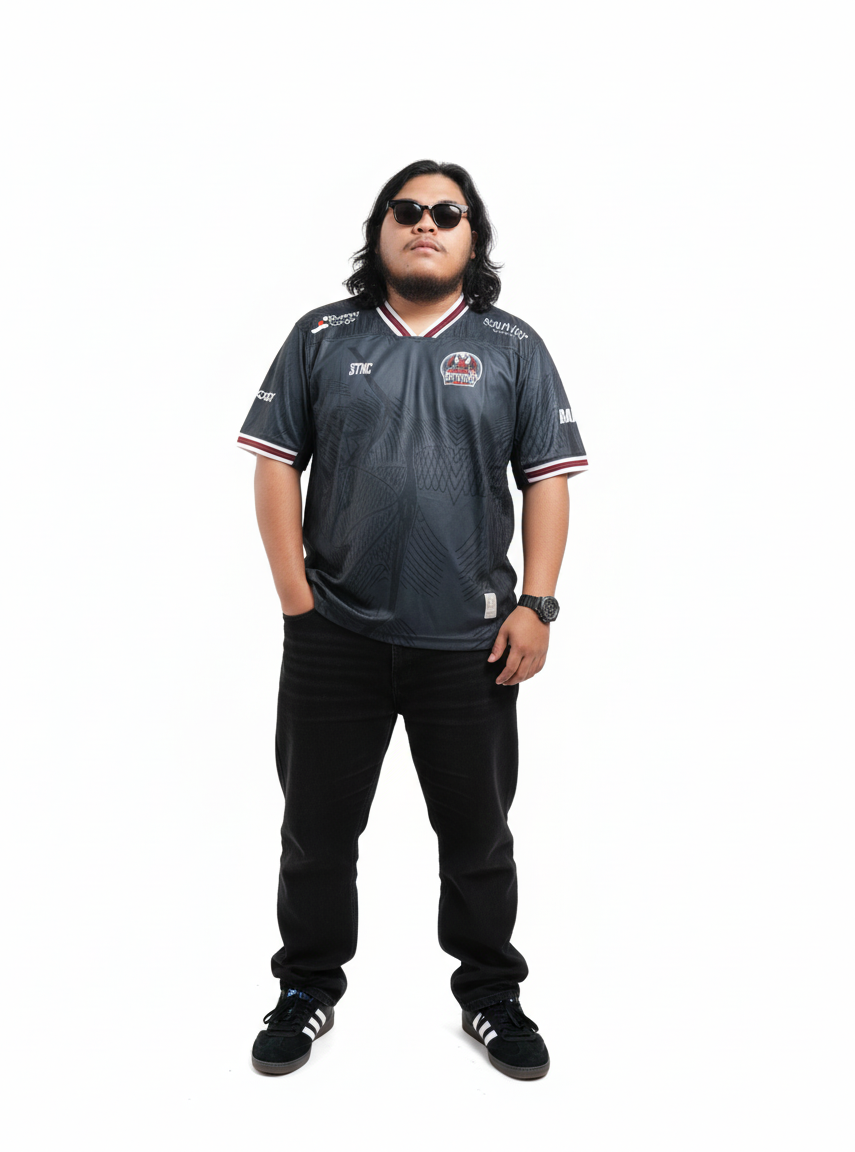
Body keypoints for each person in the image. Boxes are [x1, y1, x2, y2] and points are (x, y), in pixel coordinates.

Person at [236, 160, 588, 1079]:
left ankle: (491, 994)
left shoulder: (513, 346)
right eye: (406, 209)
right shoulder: (321, 336)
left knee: (478, 839)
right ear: (380, 230)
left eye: (446, 211)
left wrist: (537, 604)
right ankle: (306, 988)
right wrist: (297, 602)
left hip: (471, 643)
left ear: (473, 237)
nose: (424, 222)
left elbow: (546, 480)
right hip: (335, 635)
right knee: (315, 834)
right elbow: (275, 463)